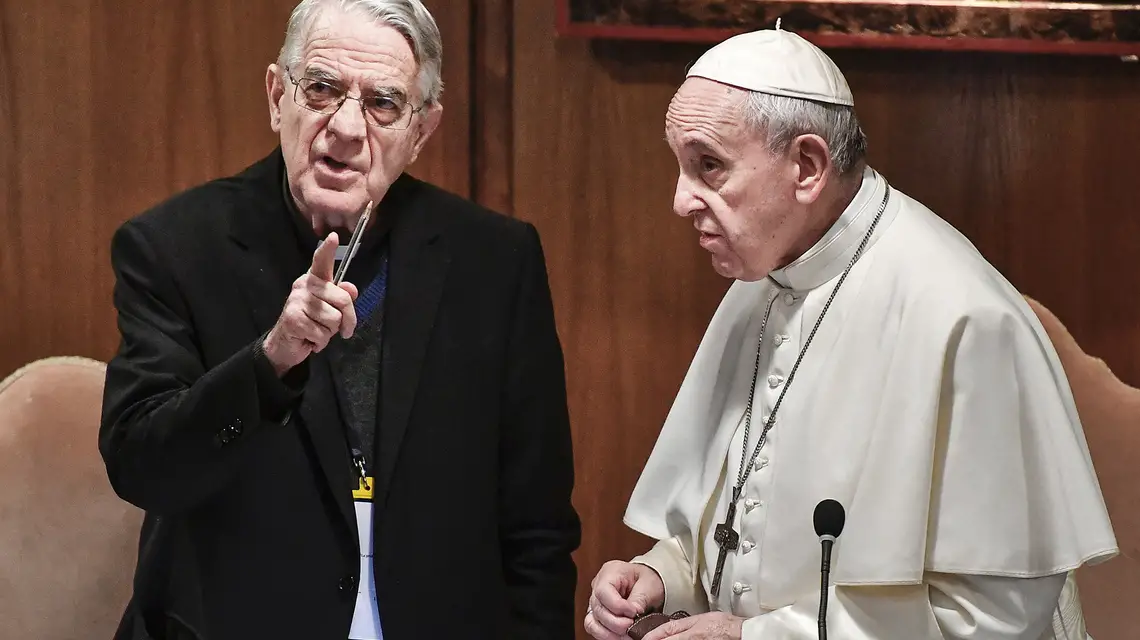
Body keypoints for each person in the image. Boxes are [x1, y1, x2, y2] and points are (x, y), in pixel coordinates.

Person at [584, 27, 1118, 640]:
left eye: (710, 167)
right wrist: (660, 573)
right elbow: (736, 524)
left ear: (807, 167)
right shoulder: (764, 281)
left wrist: (754, 637)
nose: (681, 200)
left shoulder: (962, 315)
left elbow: (992, 615)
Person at [99, 1, 580, 639]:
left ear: (422, 129)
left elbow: (536, 525)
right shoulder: (174, 248)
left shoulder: (494, 262)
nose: (347, 127)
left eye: (383, 103)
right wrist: (269, 361)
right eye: (323, 89)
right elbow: (142, 467)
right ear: (278, 97)